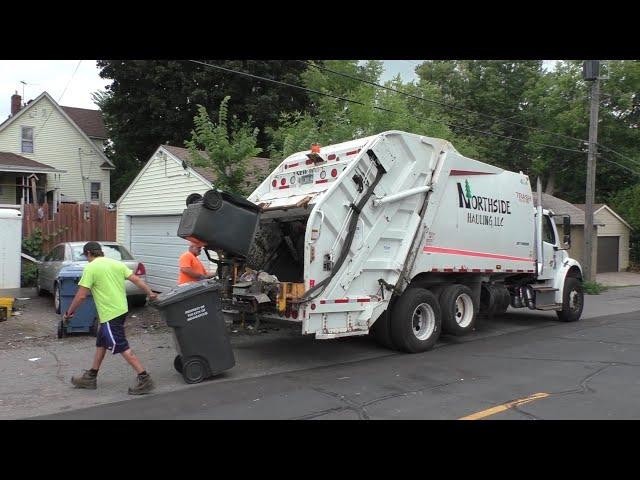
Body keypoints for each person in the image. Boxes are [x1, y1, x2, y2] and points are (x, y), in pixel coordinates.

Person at [64, 241, 158, 395]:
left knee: (121, 345)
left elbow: (81, 296)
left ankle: (145, 378)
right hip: (121, 310)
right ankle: (91, 377)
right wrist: (150, 293)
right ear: (100, 251)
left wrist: (69, 313)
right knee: (101, 342)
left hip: (110, 313)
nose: (86, 258)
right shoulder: (116, 264)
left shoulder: (91, 267)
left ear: (88, 253)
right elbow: (136, 280)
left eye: (86, 256)